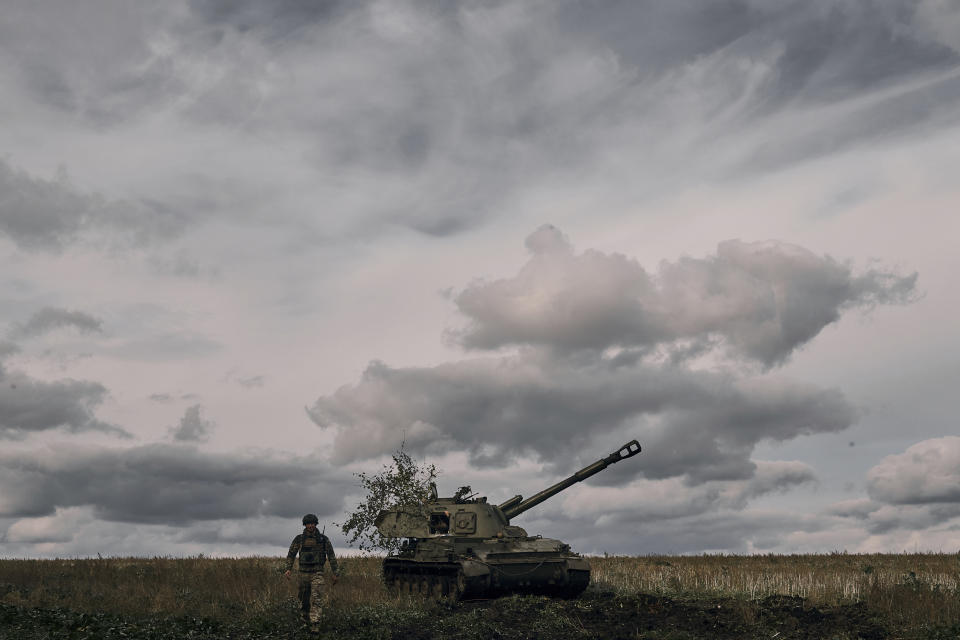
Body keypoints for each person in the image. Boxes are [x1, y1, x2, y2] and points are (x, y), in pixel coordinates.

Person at [284, 513, 340, 632]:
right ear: (305, 525)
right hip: (303, 574)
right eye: (308, 523)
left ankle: (315, 625)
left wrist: (336, 573)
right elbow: (291, 554)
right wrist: (288, 569)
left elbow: (331, 556)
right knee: (303, 600)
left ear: (315, 524)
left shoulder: (323, 539)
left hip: (317, 573)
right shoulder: (299, 539)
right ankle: (304, 622)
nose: (311, 526)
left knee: (316, 599)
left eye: (313, 523)